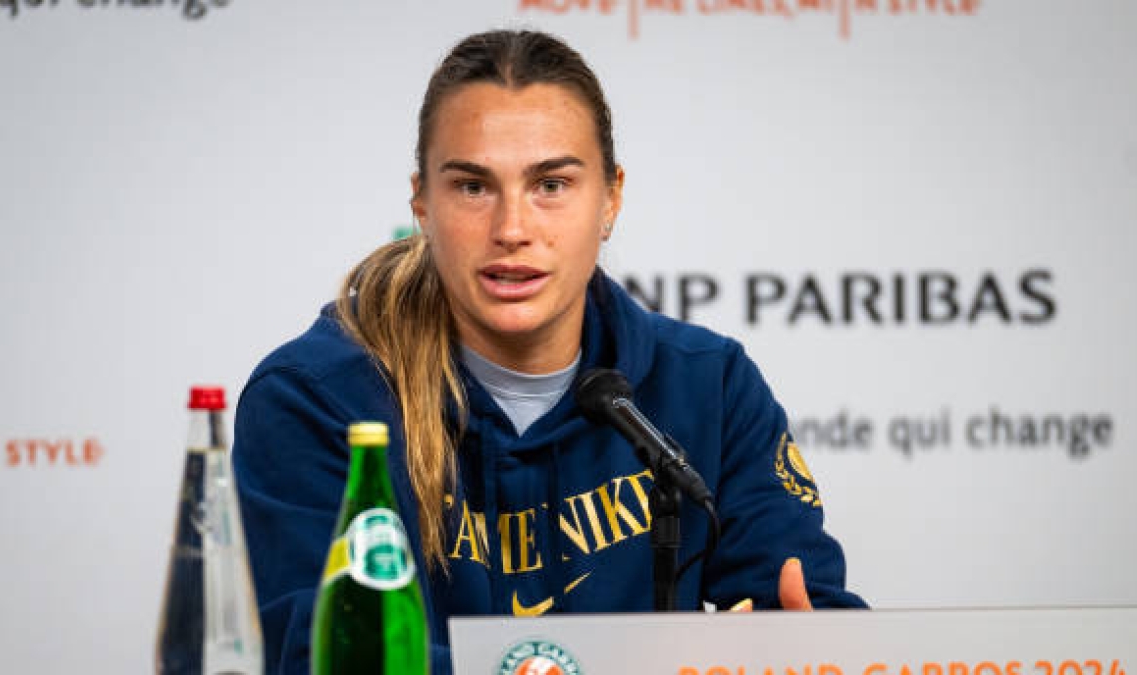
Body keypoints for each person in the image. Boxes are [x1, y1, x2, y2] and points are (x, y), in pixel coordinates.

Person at [233, 28, 866, 675]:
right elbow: (319, 653)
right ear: (422, 200)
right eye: (473, 187)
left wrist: (813, 648)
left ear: (611, 197)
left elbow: (805, 611)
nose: (512, 229)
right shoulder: (314, 398)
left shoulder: (709, 385)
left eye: (552, 184)